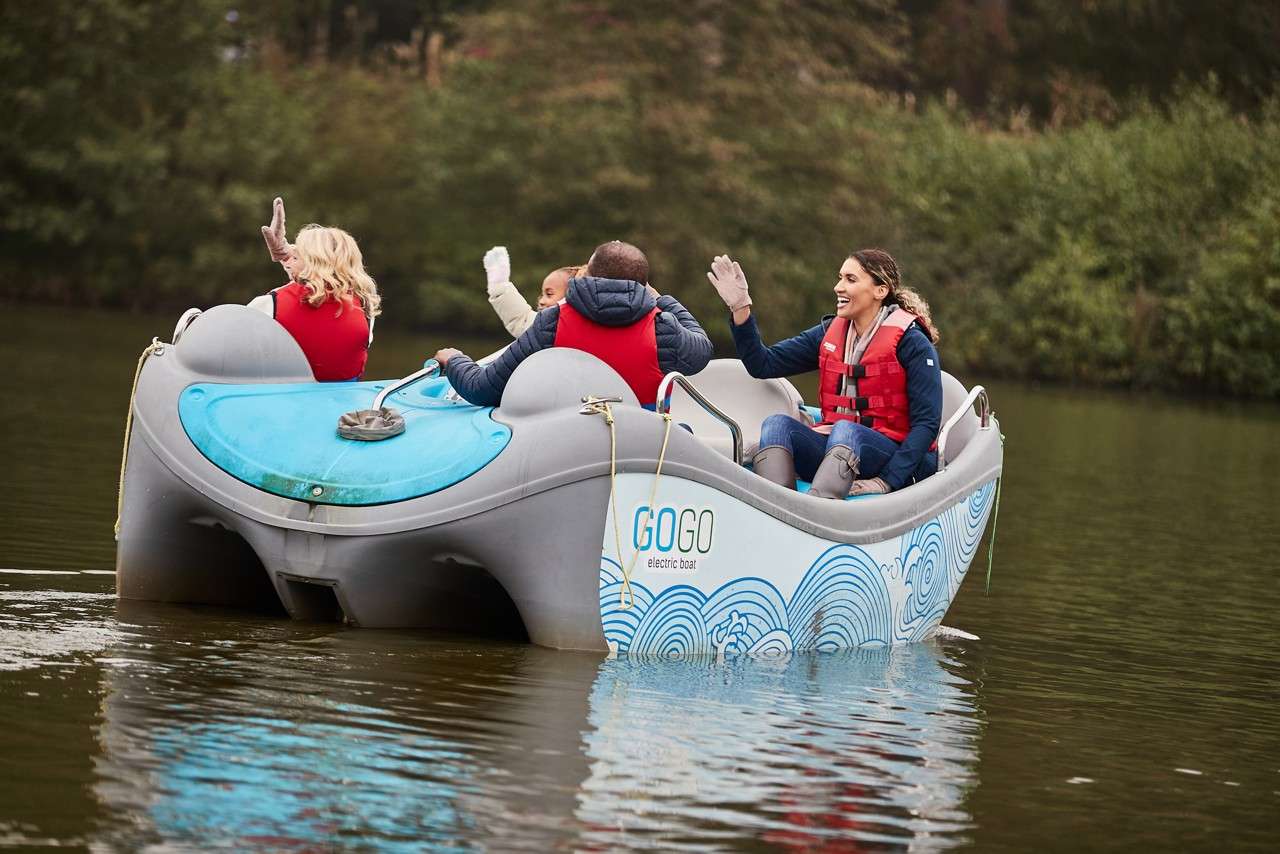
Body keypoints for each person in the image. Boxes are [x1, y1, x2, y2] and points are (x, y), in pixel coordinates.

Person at [708, 249, 941, 498]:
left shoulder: (913, 343)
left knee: (846, 431)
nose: (838, 287)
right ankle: (776, 506)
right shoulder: (829, 333)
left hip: (892, 458)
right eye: (840, 278)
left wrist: (886, 481)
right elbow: (763, 364)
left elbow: (927, 424)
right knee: (776, 425)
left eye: (851, 280)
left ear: (880, 291)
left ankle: (819, 507)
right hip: (839, 448)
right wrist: (741, 308)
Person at [435, 240, 712, 407]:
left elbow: (482, 389)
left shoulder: (551, 323)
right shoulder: (664, 329)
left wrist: (455, 360)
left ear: (587, 275)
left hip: (567, 454)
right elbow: (702, 348)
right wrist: (659, 298)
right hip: (641, 452)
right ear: (642, 285)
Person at [252, 197, 381, 381]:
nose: (290, 259)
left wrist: (288, 260)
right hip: (346, 404)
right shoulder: (366, 302)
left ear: (312, 263)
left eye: (296, 256)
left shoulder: (269, 303)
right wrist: (290, 259)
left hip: (286, 402)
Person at [482, 245, 585, 338]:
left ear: (573, 295)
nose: (541, 301)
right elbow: (522, 320)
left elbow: (522, 320)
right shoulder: (546, 326)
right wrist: (499, 286)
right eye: (542, 295)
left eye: (549, 294)